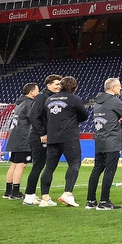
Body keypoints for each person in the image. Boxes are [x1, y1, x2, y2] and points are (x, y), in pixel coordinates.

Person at [40, 76, 89, 207]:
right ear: (74, 87)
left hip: (52, 137)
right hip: (68, 137)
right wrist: (72, 119)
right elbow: (85, 115)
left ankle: (45, 197)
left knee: (49, 167)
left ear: (61, 85)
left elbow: (46, 116)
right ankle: (67, 194)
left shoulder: (50, 99)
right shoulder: (74, 98)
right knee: (74, 163)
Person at [85, 78, 122, 210]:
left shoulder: (97, 102)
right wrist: (121, 121)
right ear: (112, 88)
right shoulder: (114, 101)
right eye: (119, 86)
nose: (120, 88)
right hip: (111, 140)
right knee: (110, 171)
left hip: (99, 139)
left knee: (96, 170)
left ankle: (91, 200)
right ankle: (104, 201)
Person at [23, 74, 62, 205]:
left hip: (48, 136)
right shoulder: (41, 97)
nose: (59, 86)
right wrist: (42, 133)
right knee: (38, 165)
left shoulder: (55, 97)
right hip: (39, 137)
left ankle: (34, 195)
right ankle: (29, 195)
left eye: (60, 84)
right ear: (49, 85)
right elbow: (33, 116)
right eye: (56, 84)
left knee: (42, 165)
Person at [3, 83, 38, 200]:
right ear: (31, 92)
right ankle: (15, 192)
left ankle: (8, 191)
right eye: (37, 90)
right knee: (21, 164)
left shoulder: (19, 103)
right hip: (23, 138)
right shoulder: (29, 103)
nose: (38, 92)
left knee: (14, 164)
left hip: (14, 137)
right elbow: (33, 119)